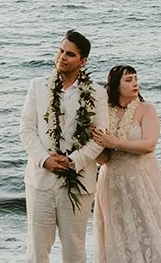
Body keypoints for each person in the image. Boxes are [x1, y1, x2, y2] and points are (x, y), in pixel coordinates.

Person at [90, 64, 161, 263]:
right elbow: (104, 158)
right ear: (116, 86)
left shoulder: (146, 109)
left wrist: (115, 142)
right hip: (112, 181)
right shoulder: (103, 113)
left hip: (144, 178)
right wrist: (91, 140)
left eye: (135, 78)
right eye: (128, 80)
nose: (135, 83)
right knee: (119, 232)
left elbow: (149, 145)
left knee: (151, 229)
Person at [20, 30, 110, 263]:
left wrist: (73, 162)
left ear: (83, 61)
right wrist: (45, 160)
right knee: (37, 251)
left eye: (69, 54)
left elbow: (100, 138)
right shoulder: (38, 86)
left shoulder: (97, 94)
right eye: (60, 51)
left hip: (78, 182)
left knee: (74, 250)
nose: (62, 57)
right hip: (40, 181)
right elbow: (27, 131)